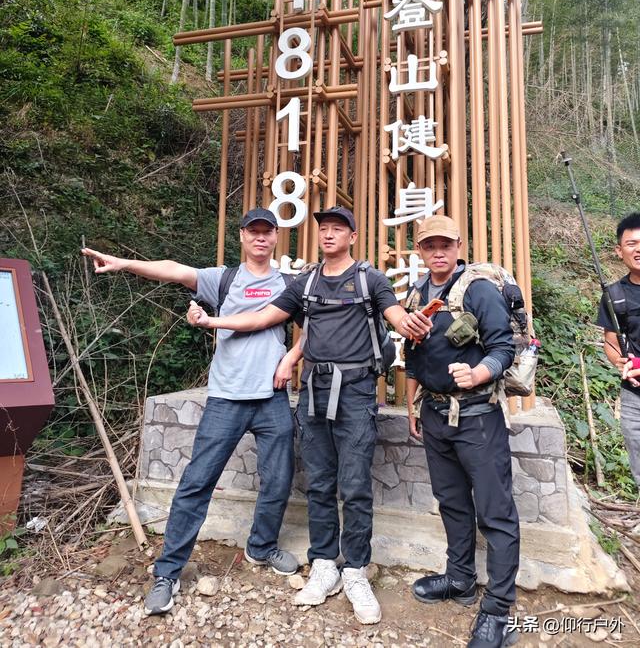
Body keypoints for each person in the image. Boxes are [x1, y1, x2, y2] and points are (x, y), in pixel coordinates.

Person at [186, 206, 431, 625]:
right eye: (324, 229)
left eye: (338, 229)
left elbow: (393, 313)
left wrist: (408, 323)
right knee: (318, 482)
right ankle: (323, 563)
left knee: (355, 485)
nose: (329, 234)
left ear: (352, 237)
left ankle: (355, 570)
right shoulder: (306, 282)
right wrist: (213, 320)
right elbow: (263, 317)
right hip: (315, 390)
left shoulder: (370, 279)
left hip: (356, 392)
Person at [82, 208, 299, 616]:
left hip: (271, 397)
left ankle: (261, 547)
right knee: (197, 483)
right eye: (253, 231)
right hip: (226, 398)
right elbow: (174, 269)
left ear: (276, 237)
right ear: (242, 236)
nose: (260, 238)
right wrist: (125, 263)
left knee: (278, 480)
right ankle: (167, 572)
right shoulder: (223, 279)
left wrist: (290, 358)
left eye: (267, 232)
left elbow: (315, 325)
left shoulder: (288, 283)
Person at [404, 215, 519, 648]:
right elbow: (412, 355)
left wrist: (478, 373)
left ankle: (498, 610)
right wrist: (411, 406)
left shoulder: (478, 289)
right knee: (451, 502)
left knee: (495, 512)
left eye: (445, 244)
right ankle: (460, 579)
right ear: (419, 250)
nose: (438, 252)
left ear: (458, 246)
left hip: (477, 416)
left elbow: (504, 347)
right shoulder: (418, 292)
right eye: (429, 245)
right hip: (434, 415)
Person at [596, 212, 640, 490]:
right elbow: (611, 342)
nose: (638, 250)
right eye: (631, 244)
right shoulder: (614, 295)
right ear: (619, 250)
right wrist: (620, 362)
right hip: (634, 394)